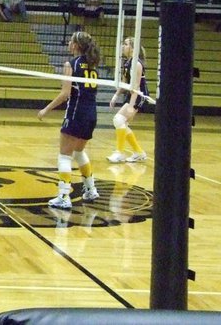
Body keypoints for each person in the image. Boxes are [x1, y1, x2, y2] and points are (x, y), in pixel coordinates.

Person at [37, 31, 101, 209]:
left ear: (76, 45)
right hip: (92, 115)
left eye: (71, 41)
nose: (68, 44)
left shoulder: (70, 64)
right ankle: (90, 188)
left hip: (76, 113)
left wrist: (45, 110)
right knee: (79, 153)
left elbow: (65, 94)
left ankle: (64, 196)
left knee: (64, 156)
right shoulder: (92, 65)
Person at [107, 37, 149, 163]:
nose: (123, 46)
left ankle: (120, 152)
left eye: (125, 44)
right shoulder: (128, 62)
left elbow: (135, 86)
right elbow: (125, 82)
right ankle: (139, 152)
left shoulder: (136, 64)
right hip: (131, 94)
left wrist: (131, 106)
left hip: (138, 95)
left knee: (119, 120)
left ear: (132, 48)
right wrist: (116, 95)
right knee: (121, 123)